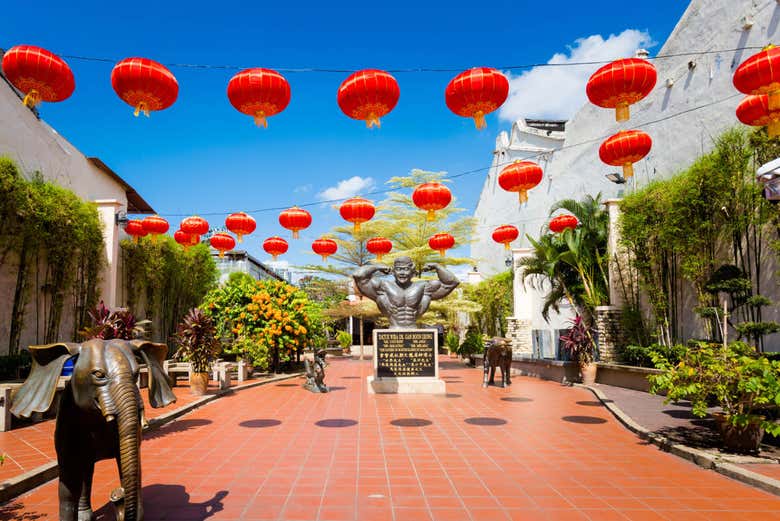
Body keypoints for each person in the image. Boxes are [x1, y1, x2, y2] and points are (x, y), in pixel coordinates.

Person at [352, 256, 459, 329]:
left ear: (412, 272)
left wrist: (437, 266)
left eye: (406, 269)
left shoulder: (422, 287)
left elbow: (451, 282)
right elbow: (359, 276)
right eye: (398, 269)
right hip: (393, 327)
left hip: (413, 327)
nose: (402, 273)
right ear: (393, 272)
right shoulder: (383, 287)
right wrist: (376, 267)